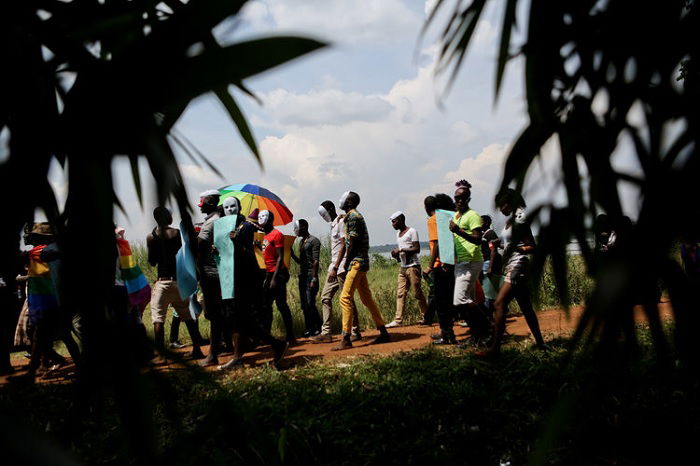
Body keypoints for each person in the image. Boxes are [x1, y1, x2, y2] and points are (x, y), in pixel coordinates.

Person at [217, 197, 290, 370]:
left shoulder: (247, 227)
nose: (229, 209)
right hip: (232, 280)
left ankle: (273, 346)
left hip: (245, 281)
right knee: (238, 321)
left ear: (240, 207)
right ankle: (239, 357)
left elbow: (252, 255)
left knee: (242, 320)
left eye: (233, 206)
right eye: (226, 207)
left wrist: (235, 242)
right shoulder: (231, 228)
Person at [479, 189, 545, 357]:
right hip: (512, 266)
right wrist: (499, 243)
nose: (501, 209)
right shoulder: (513, 220)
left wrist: (516, 247)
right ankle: (541, 344)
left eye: (503, 205)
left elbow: (532, 246)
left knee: (499, 304)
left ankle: (495, 349)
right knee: (526, 307)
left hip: (518, 266)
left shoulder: (520, 219)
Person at [332, 191, 390, 351]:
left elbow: (353, 242)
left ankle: (346, 338)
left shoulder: (352, 217)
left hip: (357, 263)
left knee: (344, 298)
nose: (341, 201)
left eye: (344, 199)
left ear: (349, 203)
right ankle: (383, 331)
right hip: (362, 262)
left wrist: (347, 262)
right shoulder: (353, 216)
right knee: (366, 299)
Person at [146, 207, 203, 359]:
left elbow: (151, 262)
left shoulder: (151, 237)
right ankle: (197, 349)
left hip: (162, 283)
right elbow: (181, 253)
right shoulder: (176, 233)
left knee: (158, 319)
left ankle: (161, 355)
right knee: (188, 317)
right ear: (166, 218)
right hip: (178, 282)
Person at [311, 201, 362, 343]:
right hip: (333, 267)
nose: (324, 217)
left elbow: (344, 246)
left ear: (331, 209)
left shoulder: (341, 223)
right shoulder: (334, 223)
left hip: (341, 267)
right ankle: (326, 332)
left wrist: (337, 266)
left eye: (324, 214)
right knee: (325, 297)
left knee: (347, 299)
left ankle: (355, 331)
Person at [449, 180, 491, 343]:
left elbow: (477, 239)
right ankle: (478, 335)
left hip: (471, 262)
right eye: (457, 198)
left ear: (468, 199)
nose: (459, 201)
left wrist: (458, 231)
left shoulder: (473, 216)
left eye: (462, 198)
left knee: (460, 300)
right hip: (461, 262)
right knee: (470, 301)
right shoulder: (457, 216)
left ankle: (487, 327)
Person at [197, 189, 226, 367]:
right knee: (215, 314)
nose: (201, 207)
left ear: (212, 203)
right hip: (215, 273)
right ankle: (218, 347)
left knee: (214, 314)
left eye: (204, 203)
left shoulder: (210, 224)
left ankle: (213, 354)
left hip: (209, 274)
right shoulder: (216, 221)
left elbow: (199, 246)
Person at [424, 194, 459, 345]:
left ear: (427, 208)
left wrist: (430, 266)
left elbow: (437, 243)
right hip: (451, 263)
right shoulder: (448, 217)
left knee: (441, 302)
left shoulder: (433, 220)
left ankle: (447, 334)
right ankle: (446, 331)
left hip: (440, 265)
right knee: (449, 301)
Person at [386, 212, 429, 327]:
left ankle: (426, 316)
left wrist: (400, 250)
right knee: (400, 294)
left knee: (417, 293)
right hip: (403, 268)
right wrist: (396, 256)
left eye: (394, 221)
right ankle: (398, 320)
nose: (392, 224)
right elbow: (402, 255)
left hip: (413, 267)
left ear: (400, 220)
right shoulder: (398, 235)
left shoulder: (412, 232)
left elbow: (417, 248)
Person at [259, 210, 296, 343]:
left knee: (281, 304)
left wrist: (274, 278)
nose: (260, 219)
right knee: (266, 306)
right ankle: (267, 335)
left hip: (278, 273)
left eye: (263, 217)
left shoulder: (277, 234)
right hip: (269, 273)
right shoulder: (265, 236)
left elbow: (280, 257)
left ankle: (291, 335)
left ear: (269, 219)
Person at [291, 219, 323, 337]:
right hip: (302, 276)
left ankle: (319, 327)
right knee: (304, 304)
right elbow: (302, 262)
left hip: (310, 276)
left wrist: (314, 278)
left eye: (297, 228)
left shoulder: (314, 241)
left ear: (303, 227)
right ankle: (310, 328)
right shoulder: (301, 242)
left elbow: (315, 261)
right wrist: (292, 255)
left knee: (310, 303)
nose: (295, 230)